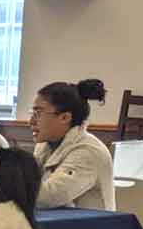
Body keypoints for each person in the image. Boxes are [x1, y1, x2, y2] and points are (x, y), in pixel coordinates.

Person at [30, 79, 116, 211]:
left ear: (65, 117)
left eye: (38, 114)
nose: (31, 121)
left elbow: (46, 197)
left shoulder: (88, 151)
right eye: (32, 113)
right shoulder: (45, 145)